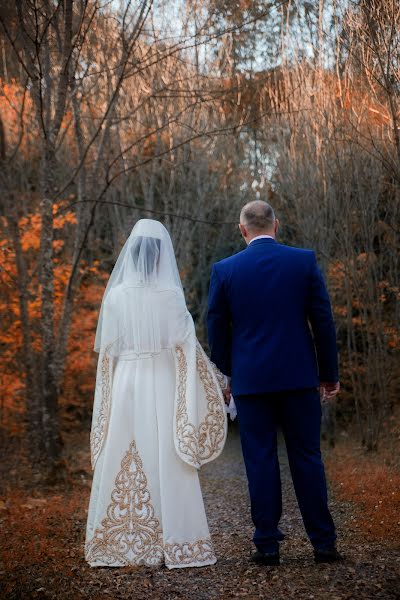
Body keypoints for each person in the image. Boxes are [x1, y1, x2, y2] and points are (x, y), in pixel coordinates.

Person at [85, 219, 227, 569]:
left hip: (126, 381)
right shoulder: (170, 295)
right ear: (162, 255)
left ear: (131, 254)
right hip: (163, 381)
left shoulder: (116, 296)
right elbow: (187, 349)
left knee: (123, 447)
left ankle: (120, 542)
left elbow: (108, 354)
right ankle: (178, 541)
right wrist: (217, 381)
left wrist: (105, 400)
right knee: (166, 452)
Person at [207, 200, 342, 566]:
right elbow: (323, 322)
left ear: (242, 229)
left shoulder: (225, 269)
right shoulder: (303, 261)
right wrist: (329, 375)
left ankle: (267, 544)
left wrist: (228, 373)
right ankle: (324, 543)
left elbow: (215, 329)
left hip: (251, 383)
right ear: (276, 225)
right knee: (307, 457)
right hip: (299, 379)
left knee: (260, 460)